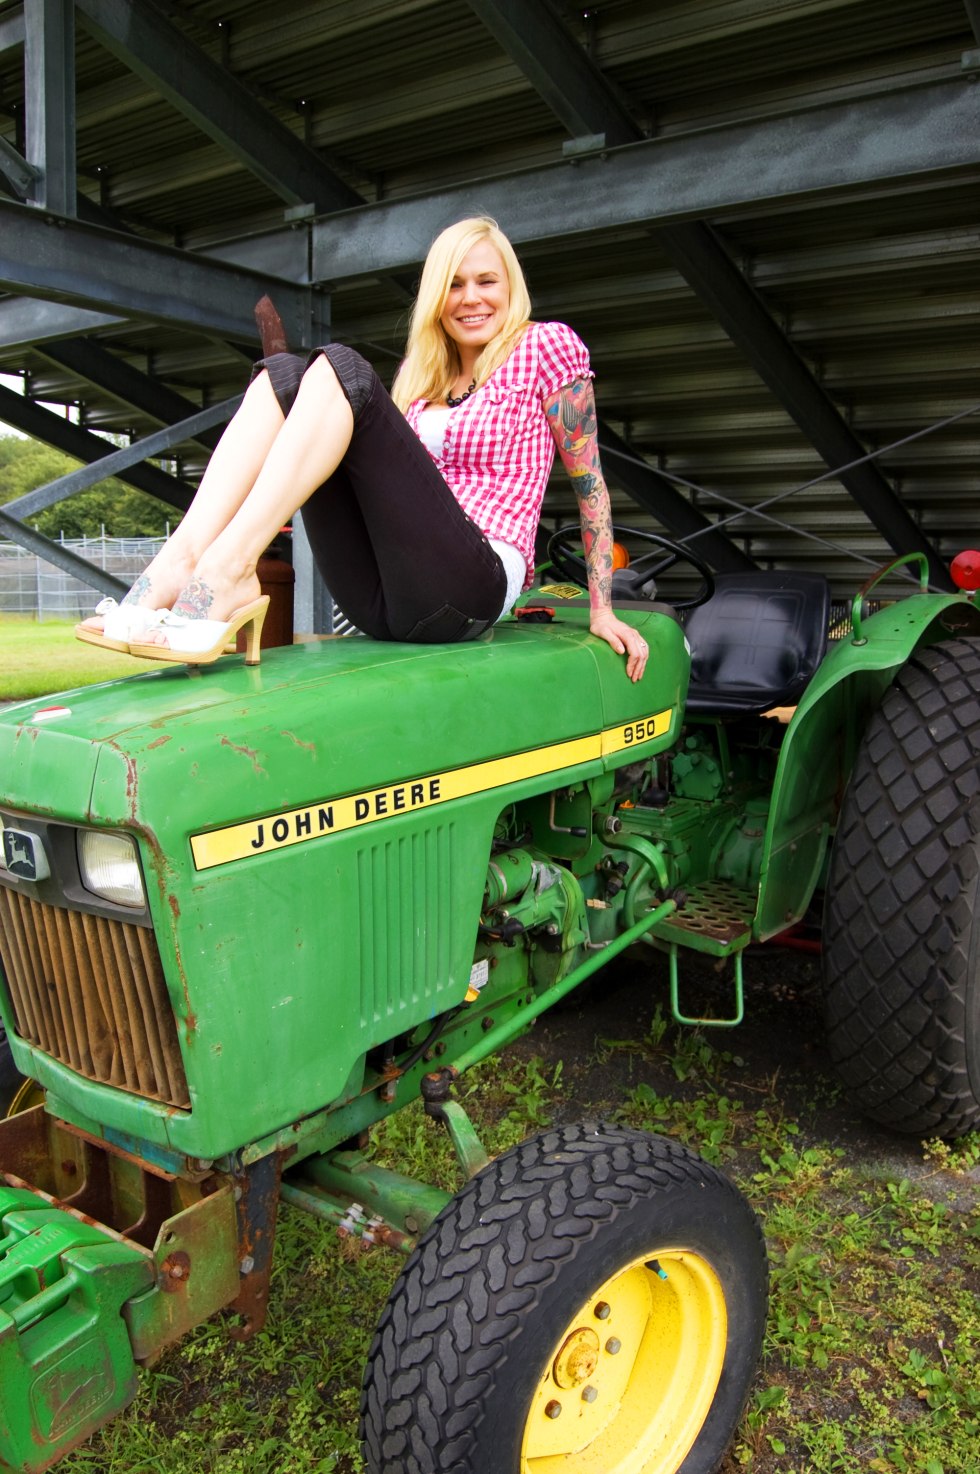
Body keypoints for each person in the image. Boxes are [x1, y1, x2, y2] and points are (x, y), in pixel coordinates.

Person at [77, 217, 650, 680]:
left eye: (486, 281)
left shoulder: (544, 346)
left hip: (470, 587)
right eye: (454, 284)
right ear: (436, 296)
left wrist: (601, 609)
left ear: (510, 288)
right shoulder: (421, 372)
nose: (470, 298)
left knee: (342, 368)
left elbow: (591, 487)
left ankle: (228, 570)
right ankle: (180, 563)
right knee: (283, 375)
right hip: (381, 598)